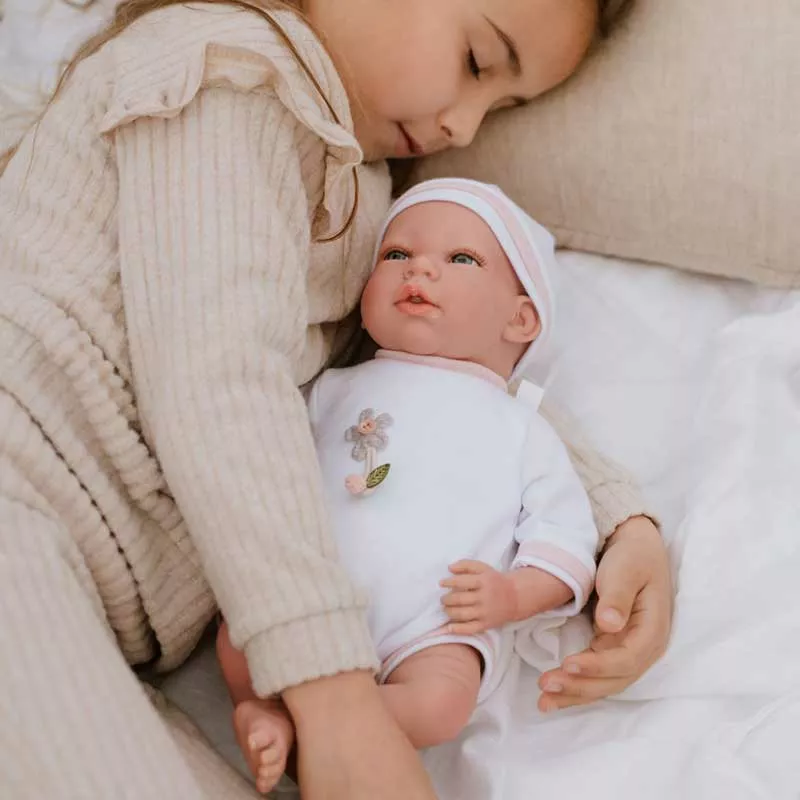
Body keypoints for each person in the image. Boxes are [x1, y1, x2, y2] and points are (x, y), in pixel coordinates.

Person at [0, 1, 671, 798]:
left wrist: (615, 520)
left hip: (92, 601)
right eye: (477, 62)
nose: (465, 126)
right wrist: (336, 692)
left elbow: (430, 380)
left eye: (502, 109)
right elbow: (218, 379)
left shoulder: (364, 196)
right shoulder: (226, 72)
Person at [218, 178, 607, 793]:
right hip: (310, 590)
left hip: (432, 617)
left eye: (461, 259)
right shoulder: (332, 387)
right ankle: (265, 705)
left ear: (520, 316)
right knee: (238, 637)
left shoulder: (522, 427)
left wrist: (510, 596)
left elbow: (565, 542)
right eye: (396, 255)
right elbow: (265, 453)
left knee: (441, 704)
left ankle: (301, 724)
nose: (419, 268)